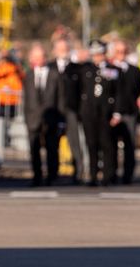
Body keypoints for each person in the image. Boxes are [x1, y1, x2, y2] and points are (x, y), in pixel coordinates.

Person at [22, 42, 64, 185]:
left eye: (40, 57)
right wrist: (27, 117)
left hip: (51, 118)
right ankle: (37, 176)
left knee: (52, 148)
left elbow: (60, 98)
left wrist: (60, 119)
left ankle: (52, 176)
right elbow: (26, 98)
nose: (38, 60)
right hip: (33, 118)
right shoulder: (28, 75)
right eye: (35, 57)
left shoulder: (54, 74)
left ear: (45, 58)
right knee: (34, 149)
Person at [80, 41, 118, 185]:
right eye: (94, 54)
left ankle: (108, 175)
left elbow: (116, 91)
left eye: (100, 54)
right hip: (89, 113)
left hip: (105, 113)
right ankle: (93, 175)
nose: (97, 57)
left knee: (106, 144)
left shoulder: (112, 70)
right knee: (91, 144)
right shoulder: (86, 69)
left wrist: (116, 112)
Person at [108, 39, 140, 184]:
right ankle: (112, 173)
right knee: (111, 146)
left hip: (129, 113)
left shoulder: (134, 70)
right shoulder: (108, 69)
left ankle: (128, 175)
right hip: (112, 114)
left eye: (123, 51)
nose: (121, 54)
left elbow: (137, 89)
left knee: (130, 145)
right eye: (118, 52)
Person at [55, 39, 88, 183]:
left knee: (74, 142)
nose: (63, 51)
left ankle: (78, 171)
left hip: (71, 110)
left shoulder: (76, 68)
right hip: (55, 110)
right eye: (60, 48)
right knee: (53, 144)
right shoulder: (50, 67)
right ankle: (53, 172)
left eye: (65, 48)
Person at [0, 49, 24, 162]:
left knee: (10, 122)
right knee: (0, 124)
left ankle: (6, 143)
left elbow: (21, 75)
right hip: (1, 100)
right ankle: (2, 145)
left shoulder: (14, 67)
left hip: (12, 100)